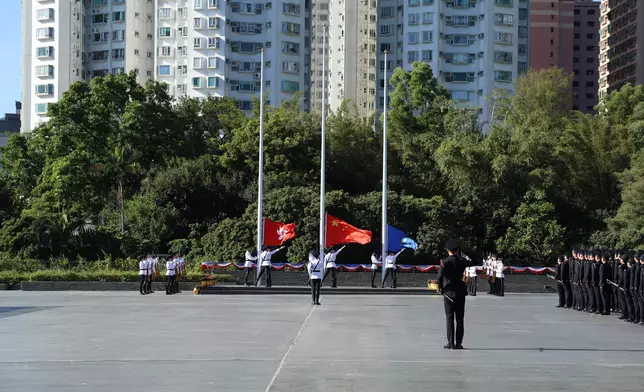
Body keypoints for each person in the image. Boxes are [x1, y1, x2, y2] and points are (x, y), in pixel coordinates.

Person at [437, 239, 471, 350]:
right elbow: (476, 261)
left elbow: (439, 277)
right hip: (460, 292)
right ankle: (459, 343)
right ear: (457, 250)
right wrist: (467, 251)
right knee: (460, 319)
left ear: (447, 250)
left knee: (449, 318)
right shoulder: (462, 261)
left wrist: (440, 288)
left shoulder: (444, 262)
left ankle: (450, 342)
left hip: (448, 293)